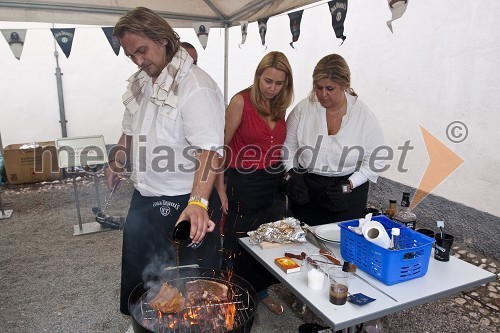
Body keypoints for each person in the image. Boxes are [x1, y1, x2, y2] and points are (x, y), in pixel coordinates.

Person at [107, 7, 225, 316]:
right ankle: (144, 320)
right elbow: (129, 129)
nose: (138, 60)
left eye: (141, 51)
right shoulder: (143, 82)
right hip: (145, 195)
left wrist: (199, 201)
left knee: (191, 285)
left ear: (163, 40)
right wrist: (117, 159)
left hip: (185, 200)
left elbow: (209, 150)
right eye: (131, 55)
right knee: (141, 270)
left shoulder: (195, 86)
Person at [221, 51, 294, 314]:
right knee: (241, 239)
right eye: (267, 81)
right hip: (243, 180)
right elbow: (221, 147)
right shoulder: (240, 102)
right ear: (258, 77)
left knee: (269, 238)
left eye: (279, 83)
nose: (272, 88)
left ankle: (260, 290)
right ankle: (236, 292)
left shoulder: (280, 105)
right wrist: (219, 187)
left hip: (273, 182)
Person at [282, 54, 385, 226]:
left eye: (330, 89)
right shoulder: (303, 109)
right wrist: (291, 173)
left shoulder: (362, 115)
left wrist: (351, 183)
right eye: (318, 87)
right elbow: (288, 147)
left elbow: (376, 160)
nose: (323, 94)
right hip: (307, 190)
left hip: (345, 191)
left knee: (341, 245)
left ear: (344, 85)